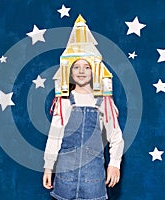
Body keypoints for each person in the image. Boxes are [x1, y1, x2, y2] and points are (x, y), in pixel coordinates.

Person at [43, 59, 124, 200]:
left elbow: (116, 136)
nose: (81, 71)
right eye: (76, 67)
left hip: (93, 174)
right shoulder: (63, 101)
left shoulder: (104, 101)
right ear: (70, 72)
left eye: (87, 67)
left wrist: (114, 164)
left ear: (94, 71)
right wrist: (48, 167)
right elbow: (54, 137)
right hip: (66, 174)